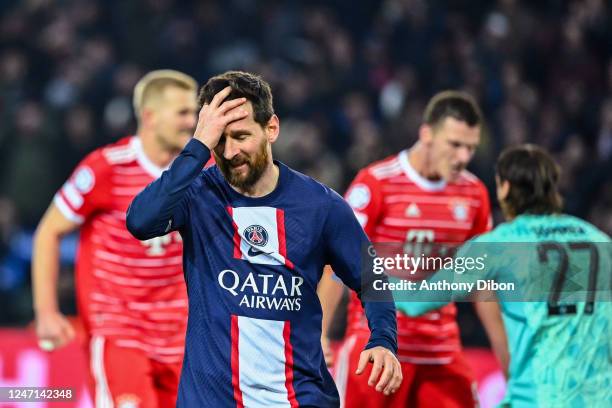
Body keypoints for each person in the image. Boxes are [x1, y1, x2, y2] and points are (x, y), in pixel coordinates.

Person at [126, 70, 402, 407]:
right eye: (219, 140)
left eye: (241, 136)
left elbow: (371, 276)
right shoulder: (198, 196)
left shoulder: (321, 206)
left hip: (300, 398)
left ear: (272, 128)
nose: (229, 152)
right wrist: (197, 146)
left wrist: (383, 340)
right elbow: (140, 221)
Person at [322, 90, 509, 407]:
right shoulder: (376, 183)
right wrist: (320, 333)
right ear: (427, 134)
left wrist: (507, 362)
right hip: (376, 352)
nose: (463, 156)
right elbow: (336, 263)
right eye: (455, 144)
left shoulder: (474, 194)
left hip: (441, 353)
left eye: (470, 147)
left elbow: (481, 283)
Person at [397, 144, 612, 407]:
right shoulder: (599, 241)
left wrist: (366, 275)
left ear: (505, 188)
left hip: (536, 399)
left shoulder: (498, 245)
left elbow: (416, 300)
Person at [32, 70, 198, 407]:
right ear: (149, 116)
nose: (191, 122)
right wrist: (47, 311)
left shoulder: (202, 175)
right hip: (120, 331)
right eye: (182, 112)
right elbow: (49, 231)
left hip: (183, 338)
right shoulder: (106, 167)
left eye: (194, 112)